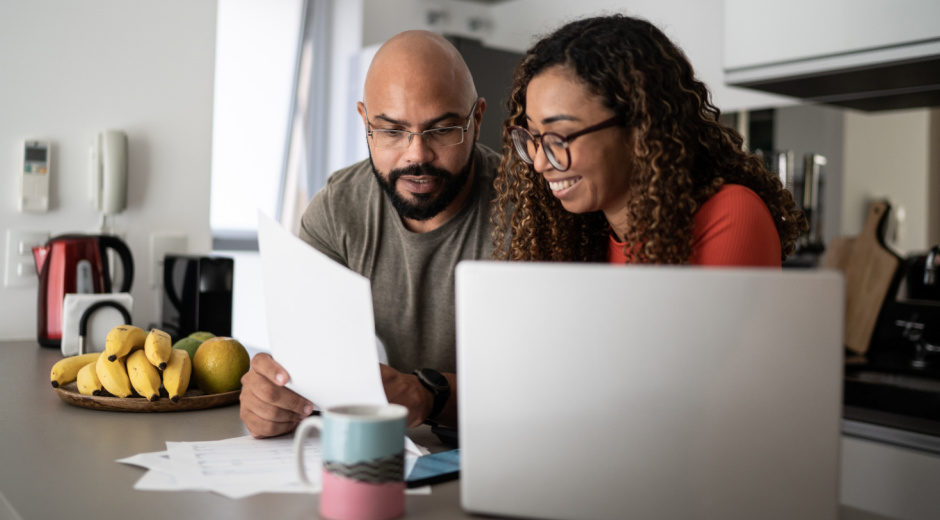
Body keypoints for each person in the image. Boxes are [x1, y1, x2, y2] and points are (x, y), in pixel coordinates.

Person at [240, 31, 499, 437]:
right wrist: (273, 397)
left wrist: (426, 393)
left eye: (442, 130)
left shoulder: (532, 211)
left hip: (512, 448)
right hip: (393, 454)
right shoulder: (337, 209)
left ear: (477, 120)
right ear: (365, 122)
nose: (416, 155)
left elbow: (554, 385)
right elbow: (308, 366)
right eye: (392, 131)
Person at [492, 14, 807, 265]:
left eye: (559, 136)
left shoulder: (730, 215)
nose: (539, 161)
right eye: (534, 137)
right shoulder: (580, 236)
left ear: (639, 130)